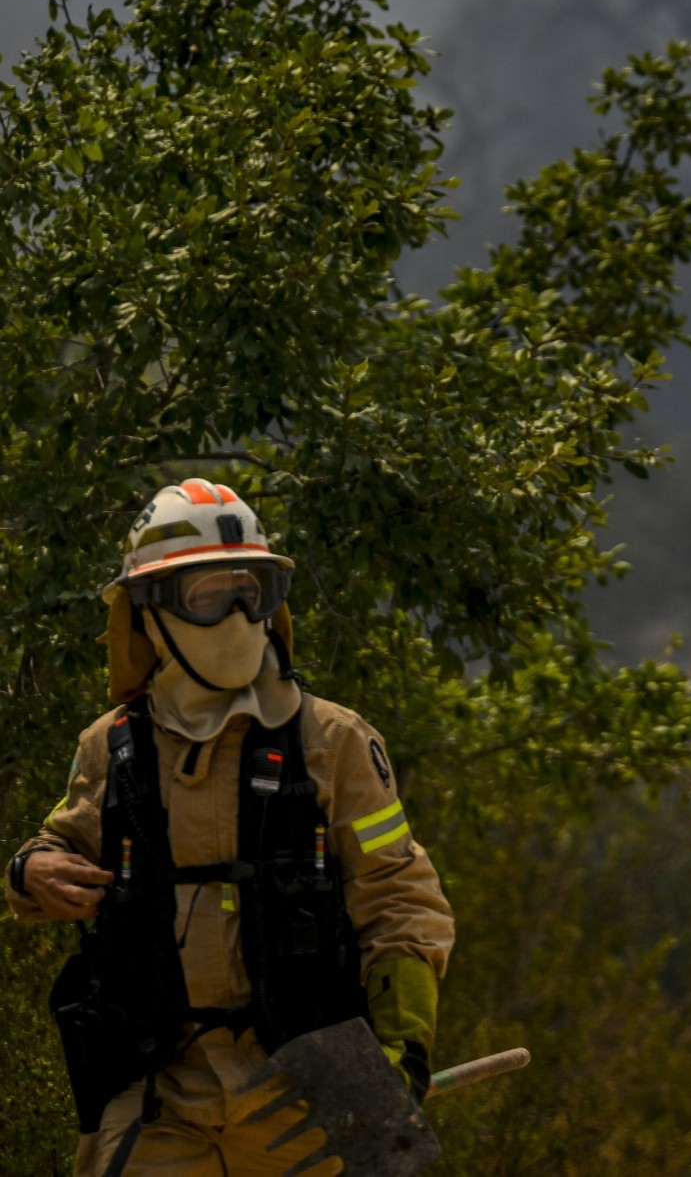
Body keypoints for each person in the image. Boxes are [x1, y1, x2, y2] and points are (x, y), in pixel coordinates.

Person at [5, 478, 456, 1175]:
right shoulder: (112, 747)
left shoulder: (332, 740)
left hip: (312, 1084)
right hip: (161, 1088)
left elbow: (400, 898)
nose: (239, 615)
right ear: (149, 612)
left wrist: (401, 1053)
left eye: (252, 590)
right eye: (209, 595)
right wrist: (31, 870)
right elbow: (59, 848)